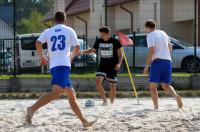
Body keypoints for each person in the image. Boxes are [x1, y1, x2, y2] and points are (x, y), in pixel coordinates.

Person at [26, 11, 96, 127]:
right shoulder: (69, 30)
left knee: (71, 95)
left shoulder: (48, 31)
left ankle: (84, 121)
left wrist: (42, 57)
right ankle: (32, 109)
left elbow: (38, 43)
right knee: (56, 93)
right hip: (63, 65)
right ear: (65, 19)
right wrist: (71, 57)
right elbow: (77, 47)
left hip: (54, 66)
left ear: (54, 20)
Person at [143, 19, 183, 109]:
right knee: (166, 85)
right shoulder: (163, 33)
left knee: (153, 86)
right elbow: (170, 46)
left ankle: (156, 107)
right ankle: (176, 96)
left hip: (157, 61)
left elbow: (152, 51)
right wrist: (166, 54)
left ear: (147, 27)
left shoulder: (150, 35)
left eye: (145, 28)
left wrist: (146, 66)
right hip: (168, 61)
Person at [81, 26, 123, 105]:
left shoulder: (115, 41)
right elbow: (92, 50)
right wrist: (82, 52)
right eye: (101, 35)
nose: (101, 36)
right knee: (97, 81)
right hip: (102, 65)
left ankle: (112, 103)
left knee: (113, 86)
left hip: (113, 66)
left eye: (103, 35)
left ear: (107, 34)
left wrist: (119, 63)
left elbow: (120, 54)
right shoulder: (99, 41)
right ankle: (104, 101)